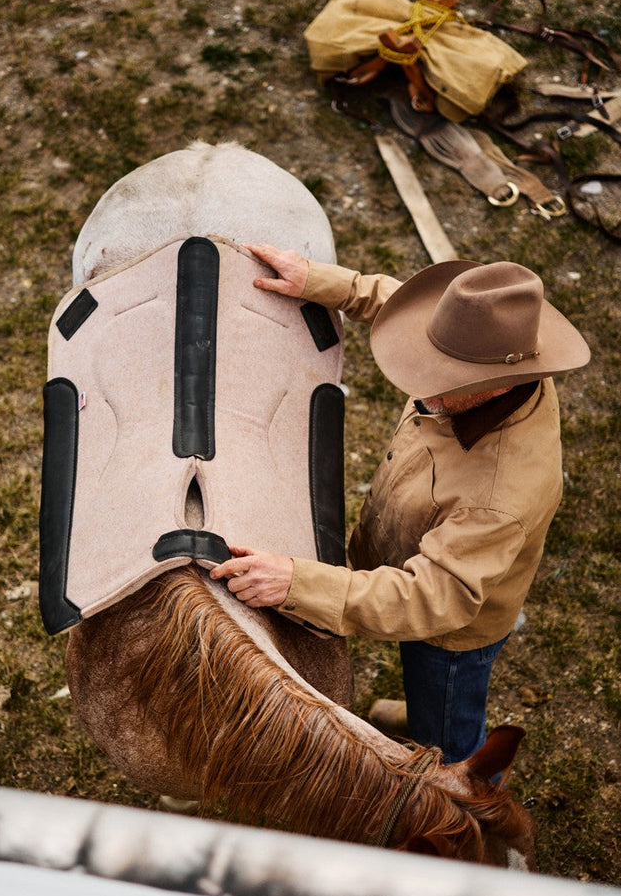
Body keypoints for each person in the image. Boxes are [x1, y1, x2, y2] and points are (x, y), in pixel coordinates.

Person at [210, 243, 591, 763]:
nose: (419, 383)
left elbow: (432, 599)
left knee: (448, 740)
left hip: (450, 633)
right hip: (402, 568)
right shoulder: (500, 350)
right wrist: (329, 284)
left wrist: (296, 584)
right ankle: (418, 712)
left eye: (442, 377)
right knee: (424, 694)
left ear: (493, 384)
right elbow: (407, 309)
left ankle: (464, 805)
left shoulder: (499, 496)